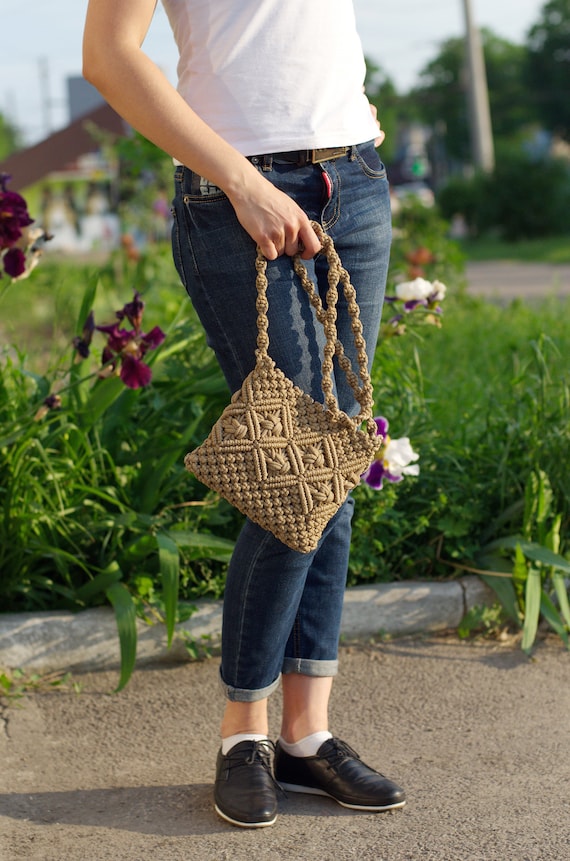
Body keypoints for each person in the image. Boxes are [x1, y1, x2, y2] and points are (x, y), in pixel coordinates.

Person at [83, 0, 405, 829]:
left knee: (333, 463)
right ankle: (244, 736)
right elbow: (109, 56)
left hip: (354, 182)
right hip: (236, 199)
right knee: (292, 465)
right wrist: (244, 180)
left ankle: (307, 733)